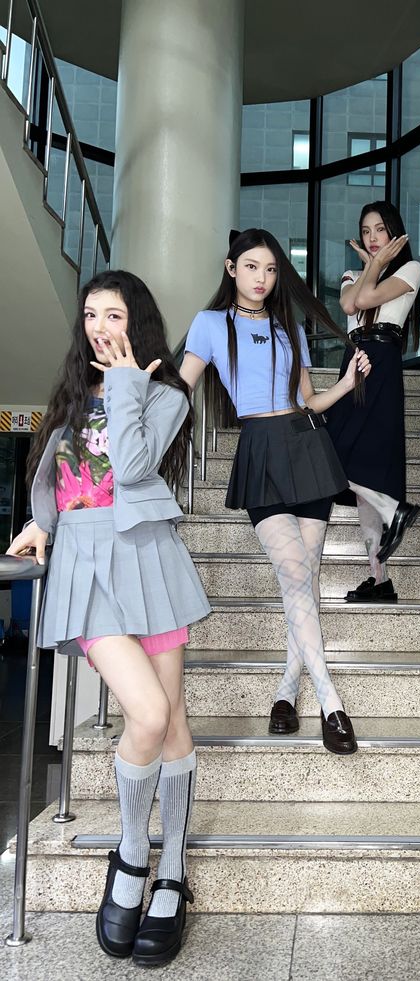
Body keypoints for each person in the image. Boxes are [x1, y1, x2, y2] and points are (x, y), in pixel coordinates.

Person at [7, 270, 212, 966]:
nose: (98, 325)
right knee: (148, 715)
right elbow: (60, 476)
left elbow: (130, 465)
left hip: (148, 561)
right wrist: (39, 525)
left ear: (137, 321)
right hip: (88, 570)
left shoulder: (166, 396)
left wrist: (128, 384)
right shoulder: (71, 394)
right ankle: (132, 853)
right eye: (90, 314)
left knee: (174, 719)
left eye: (113, 314)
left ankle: (173, 868)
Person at [180, 228, 371, 755]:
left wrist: (349, 386)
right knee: (292, 572)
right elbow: (181, 386)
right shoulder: (211, 324)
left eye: (270, 269)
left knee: (303, 580)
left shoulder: (289, 327)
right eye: (251, 268)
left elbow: (309, 400)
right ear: (231, 268)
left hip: (307, 447)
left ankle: (286, 693)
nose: (262, 279)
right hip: (260, 451)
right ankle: (332, 702)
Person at [326, 201, 420, 603]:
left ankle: (388, 525)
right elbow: (350, 304)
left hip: (382, 358)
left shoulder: (411, 270)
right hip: (355, 361)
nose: (372, 238)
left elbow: (367, 302)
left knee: (357, 462)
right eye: (366, 231)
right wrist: (370, 263)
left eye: (380, 229)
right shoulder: (353, 273)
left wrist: (378, 264)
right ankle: (379, 574)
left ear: (395, 233)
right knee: (332, 454)